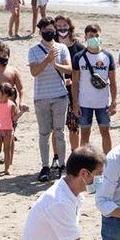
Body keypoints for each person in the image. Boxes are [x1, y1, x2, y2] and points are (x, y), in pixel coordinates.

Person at [28, 17, 72, 181]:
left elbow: (69, 69)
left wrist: (55, 64)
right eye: (46, 30)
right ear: (40, 32)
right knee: (44, 133)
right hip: (41, 97)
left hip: (60, 95)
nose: (49, 33)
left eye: (51, 30)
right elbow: (34, 72)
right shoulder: (33, 50)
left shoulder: (62, 48)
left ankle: (62, 165)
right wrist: (46, 60)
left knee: (59, 132)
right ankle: (45, 166)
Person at [72, 24, 117, 153]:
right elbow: (75, 82)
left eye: (97, 35)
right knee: (85, 134)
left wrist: (114, 102)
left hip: (103, 103)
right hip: (84, 102)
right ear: (85, 37)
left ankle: (108, 160)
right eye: (91, 36)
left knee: (105, 132)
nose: (94, 38)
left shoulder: (107, 56)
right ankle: (85, 161)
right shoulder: (79, 57)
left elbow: (113, 82)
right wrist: (75, 104)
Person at [55, 15, 84, 155]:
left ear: (70, 27)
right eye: (58, 26)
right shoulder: (52, 45)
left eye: (64, 26)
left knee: (73, 125)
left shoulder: (78, 47)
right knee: (56, 127)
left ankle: (75, 154)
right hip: (55, 91)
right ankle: (57, 157)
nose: (62, 29)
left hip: (74, 92)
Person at [0, 82, 24, 175]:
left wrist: (22, 112)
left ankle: (7, 168)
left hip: (8, 130)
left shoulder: (11, 105)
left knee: (7, 149)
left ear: (5, 94)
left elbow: (14, 118)